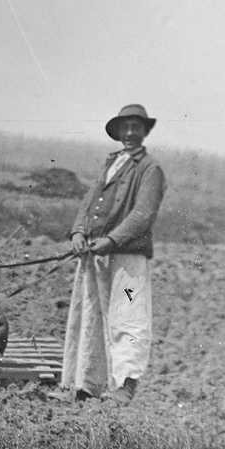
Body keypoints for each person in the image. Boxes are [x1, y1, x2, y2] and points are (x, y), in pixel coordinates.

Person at [62, 103, 167, 402]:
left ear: (145, 132)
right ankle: (87, 385)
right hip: (96, 255)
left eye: (137, 127)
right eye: (126, 127)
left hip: (127, 258)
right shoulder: (110, 165)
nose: (131, 133)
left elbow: (143, 214)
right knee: (91, 316)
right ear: (119, 132)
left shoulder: (150, 169)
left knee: (128, 316)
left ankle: (126, 384)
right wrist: (78, 232)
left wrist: (112, 239)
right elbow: (89, 203)